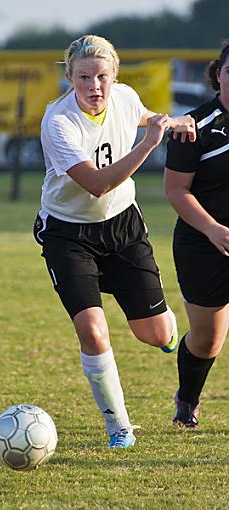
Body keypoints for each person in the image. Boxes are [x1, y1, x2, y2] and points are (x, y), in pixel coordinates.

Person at [33, 34, 196, 448]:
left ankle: (165, 330)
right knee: (92, 330)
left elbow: (141, 115)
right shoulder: (58, 122)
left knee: (155, 335)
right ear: (69, 78)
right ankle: (118, 426)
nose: (94, 87)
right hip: (69, 234)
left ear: (115, 77)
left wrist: (174, 120)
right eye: (84, 77)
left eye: (102, 77)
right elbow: (98, 184)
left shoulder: (123, 97)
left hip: (123, 228)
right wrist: (149, 144)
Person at [165, 41, 229, 429]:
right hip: (202, 243)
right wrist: (213, 229)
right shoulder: (193, 127)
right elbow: (176, 191)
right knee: (207, 340)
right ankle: (187, 399)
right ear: (218, 75)